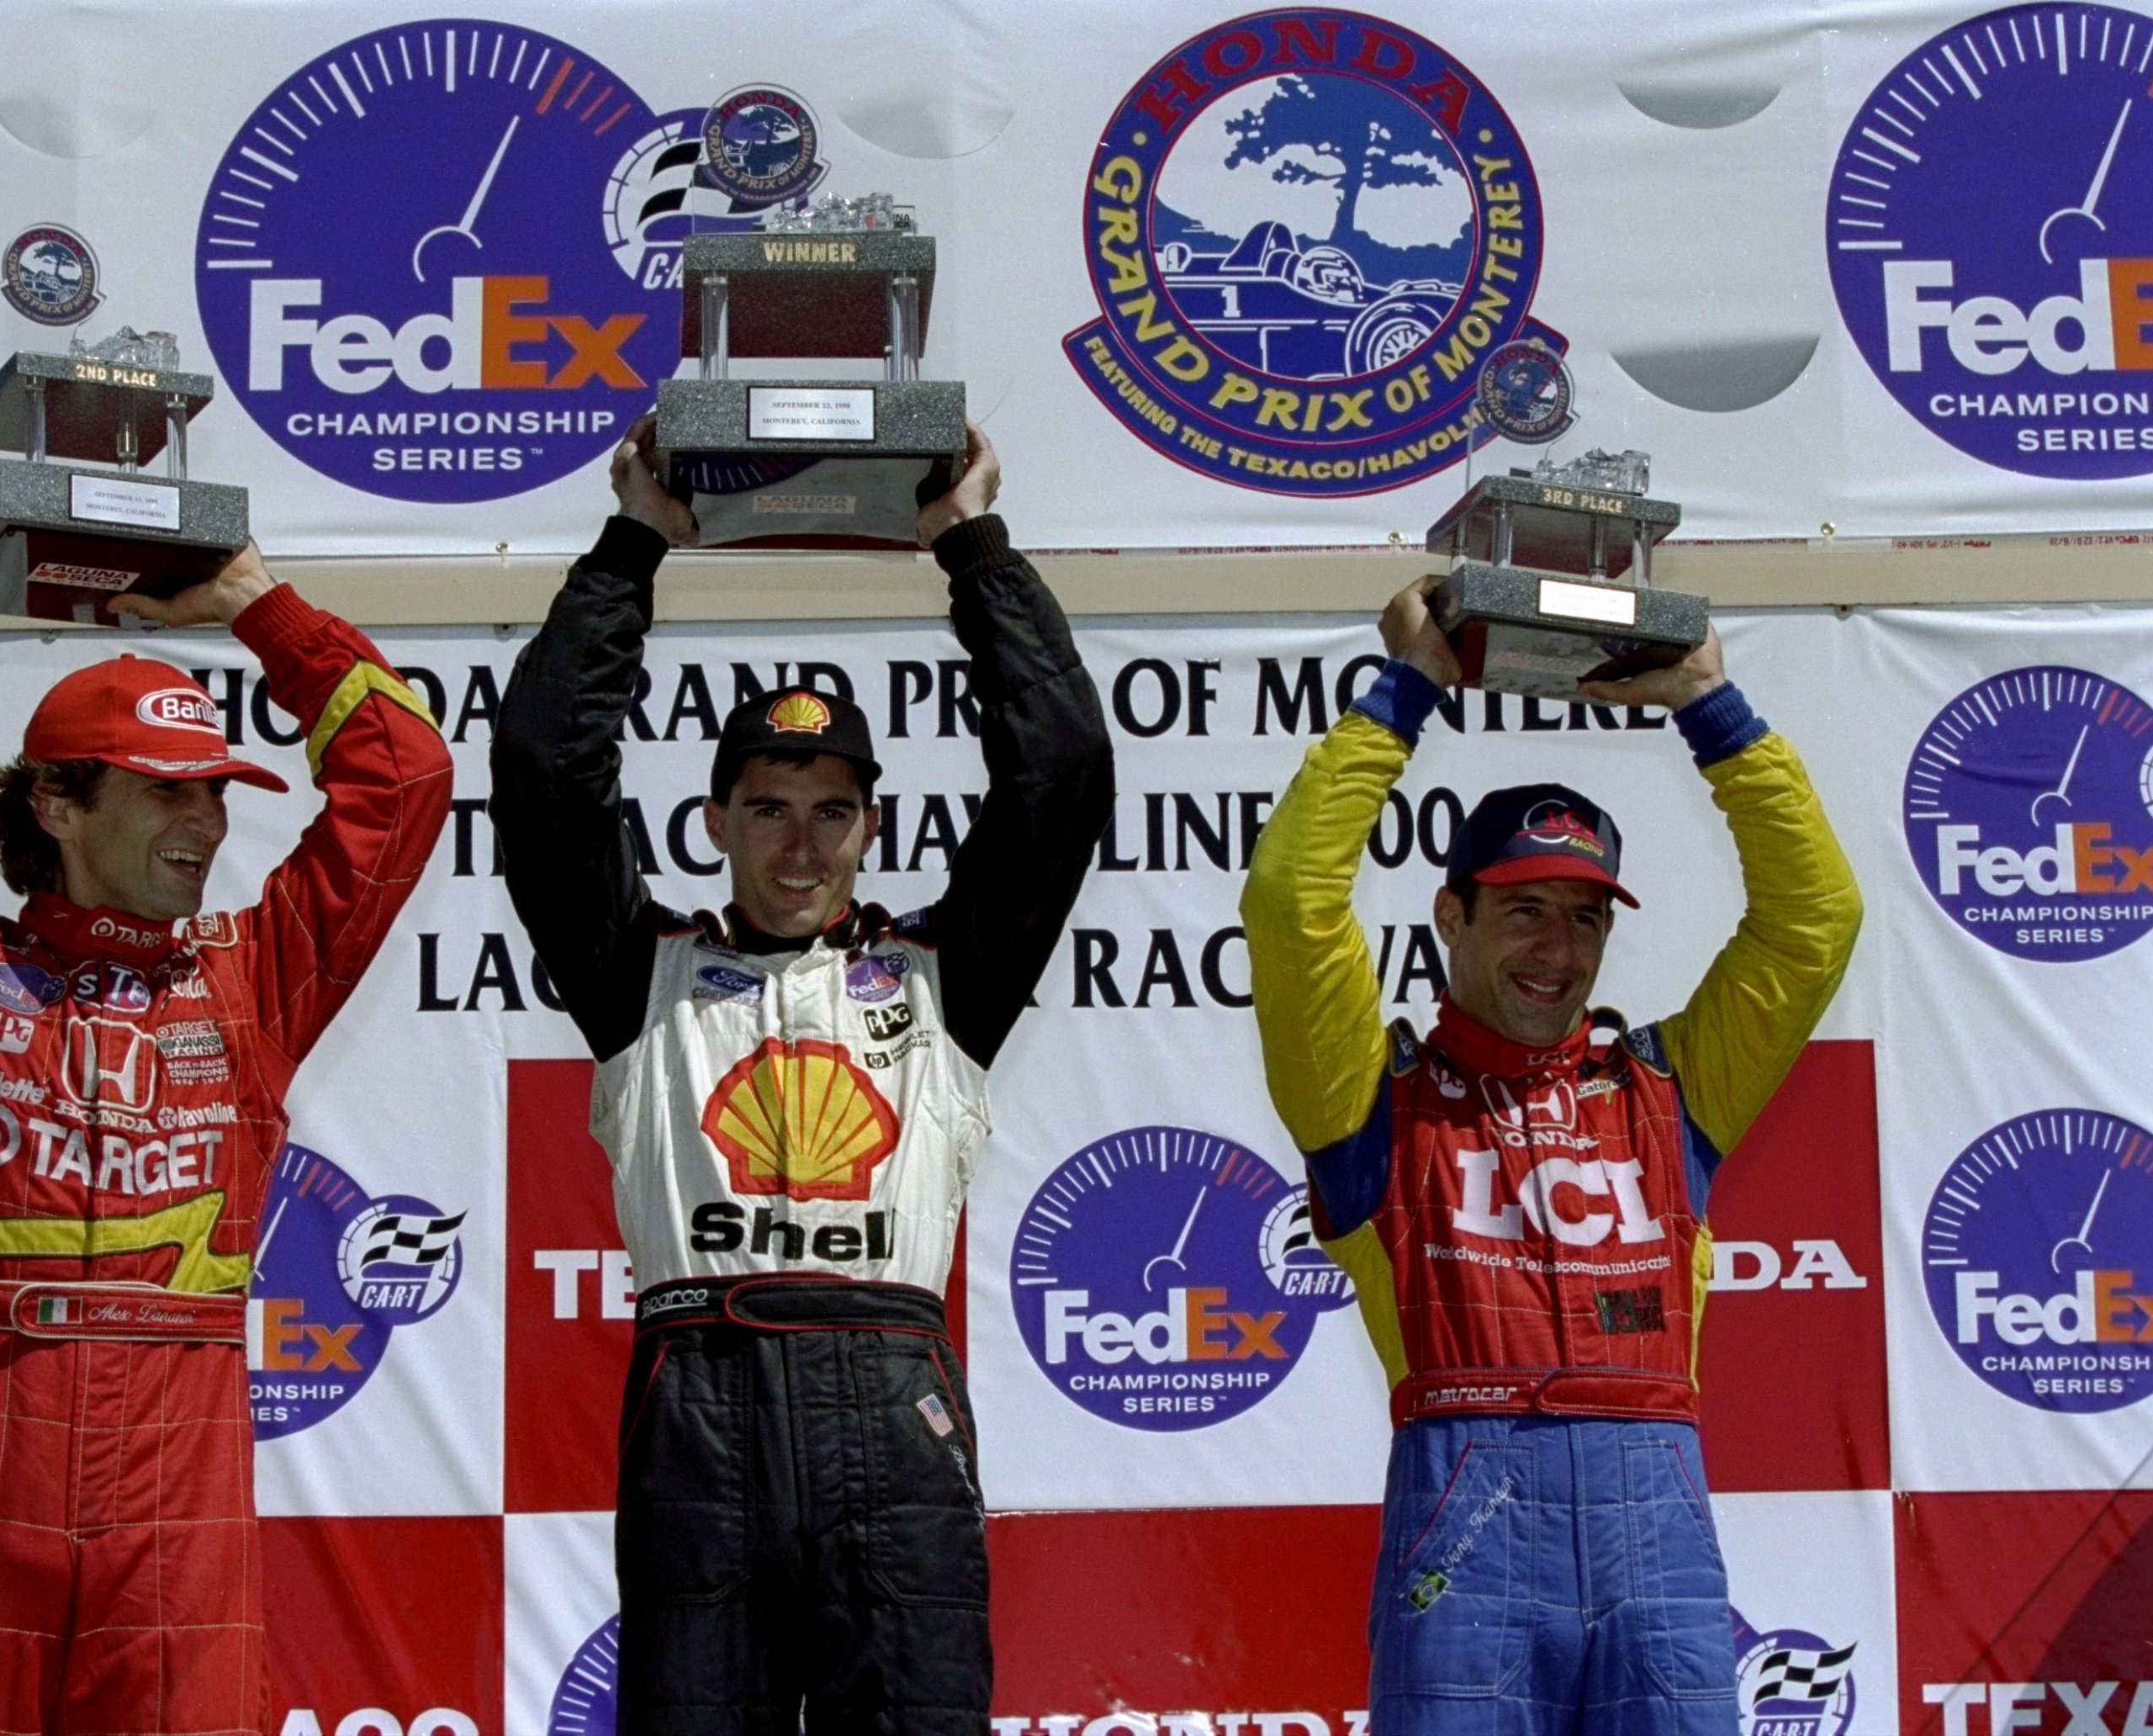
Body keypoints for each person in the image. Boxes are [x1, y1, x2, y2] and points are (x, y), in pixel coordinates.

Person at [0, 506, 452, 1736]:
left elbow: (406, 776)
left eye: (217, 796)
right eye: (165, 794)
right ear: (58, 807)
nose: (206, 827)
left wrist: (259, 607)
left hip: (180, 1491)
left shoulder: (252, 980)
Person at [491, 421, 1113, 1735]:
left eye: (833, 810)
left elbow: (1059, 773)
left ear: (874, 826)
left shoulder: (947, 977)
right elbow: (548, 769)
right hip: (698, 1398)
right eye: (767, 807)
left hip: (891, 1399)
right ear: (712, 821)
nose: (799, 843)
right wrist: (635, 544)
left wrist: (970, 545)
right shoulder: (635, 974)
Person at [1240, 576, 1862, 1734]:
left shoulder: (1673, 1085)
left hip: (1658, 1516)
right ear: (1450, 918)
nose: (1558, 949)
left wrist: (1708, 706)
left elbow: (1814, 920)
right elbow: (1290, 903)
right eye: (1524, 910)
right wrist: (1410, 686)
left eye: (1586, 916)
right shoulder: (1372, 1096)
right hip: (1467, 1515)